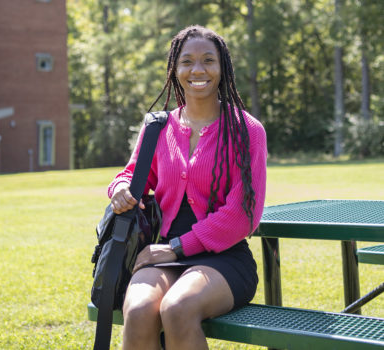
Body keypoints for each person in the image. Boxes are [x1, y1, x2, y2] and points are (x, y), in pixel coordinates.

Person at [108, 25, 267, 350]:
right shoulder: (158, 128)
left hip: (224, 259)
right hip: (161, 254)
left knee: (178, 308)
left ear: (222, 68)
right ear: (174, 69)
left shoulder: (246, 131)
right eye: (187, 61)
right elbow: (129, 177)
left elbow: (242, 215)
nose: (198, 70)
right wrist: (121, 188)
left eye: (208, 60)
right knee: (138, 310)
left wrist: (177, 247)